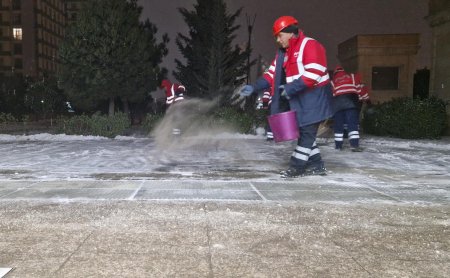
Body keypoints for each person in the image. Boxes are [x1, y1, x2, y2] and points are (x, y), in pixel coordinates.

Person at [240, 15, 333, 178]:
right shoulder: (283, 54)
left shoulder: (310, 45)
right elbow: (270, 75)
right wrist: (254, 87)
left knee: (306, 133)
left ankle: (296, 167)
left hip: (315, 98)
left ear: (290, 32)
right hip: (299, 99)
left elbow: (315, 72)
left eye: (279, 35)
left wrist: (291, 88)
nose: (277, 40)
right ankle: (318, 166)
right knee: (305, 133)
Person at [331, 66, 370, 152]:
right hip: (351, 104)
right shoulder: (352, 77)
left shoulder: (333, 82)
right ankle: (354, 145)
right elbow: (361, 90)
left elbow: (331, 96)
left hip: (337, 106)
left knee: (338, 125)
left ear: (335, 73)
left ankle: (338, 146)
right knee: (352, 124)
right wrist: (366, 100)